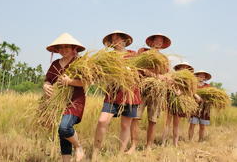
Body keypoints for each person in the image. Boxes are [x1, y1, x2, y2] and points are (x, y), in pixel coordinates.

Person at [92, 30, 141, 159]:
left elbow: (140, 73)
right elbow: (101, 74)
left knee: (125, 125)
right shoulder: (108, 57)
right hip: (112, 94)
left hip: (131, 94)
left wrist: (130, 72)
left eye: (118, 38)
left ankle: (120, 154)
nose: (116, 41)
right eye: (113, 40)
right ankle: (95, 153)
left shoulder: (133, 55)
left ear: (124, 41)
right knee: (102, 121)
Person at [44, 33, 86, 162]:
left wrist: (70, 81)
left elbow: (86, 82)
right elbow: (48, 80)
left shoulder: (80, 62)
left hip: (75, 101)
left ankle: (78, 147)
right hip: (58, 103)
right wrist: (45, 86)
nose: (63, 50)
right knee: (62, 133)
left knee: (64, 127)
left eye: (66, 46)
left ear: (74, 48)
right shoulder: (55, 64)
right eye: (60, 48)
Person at [127, 34, 171, 153]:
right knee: (135, 117)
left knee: (153, 120)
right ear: (151, 42)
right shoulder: (142, 52)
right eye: (156, 40)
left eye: (160, 41)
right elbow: (135, 67)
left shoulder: (164, 59)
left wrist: (157, 76)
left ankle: (148, 146)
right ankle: (133, 146)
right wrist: (148, 73)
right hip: (141, 88)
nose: (158, 42)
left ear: (162, 45)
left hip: (156, 91)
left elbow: (168, 77)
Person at [161, 62, 194, 147]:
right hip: (170, 100)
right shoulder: (172, 76)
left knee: (176, 124)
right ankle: (163, 142)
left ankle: (175, 143)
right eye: (182, 67)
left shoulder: (188, 79)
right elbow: (167, 84)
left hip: (179, 103)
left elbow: (190, 91)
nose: (183, 68)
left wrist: (181, 92)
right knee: (167, 123)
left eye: (185, 67)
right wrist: (173, 88)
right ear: (178, 68)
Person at [188, 70, 212, 142]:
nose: (202, 77)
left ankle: (200, 141)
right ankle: (190, 140)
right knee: (192, 124)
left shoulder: (208, 86)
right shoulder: (194, 85)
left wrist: (206, 100)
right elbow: (190, 93)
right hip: (195, 107)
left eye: (203, 76)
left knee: (202, 126)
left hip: (205, 108)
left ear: (205, 77)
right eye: (200, 75)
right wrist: (195, 97)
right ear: (197, 76)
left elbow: (210, 96)